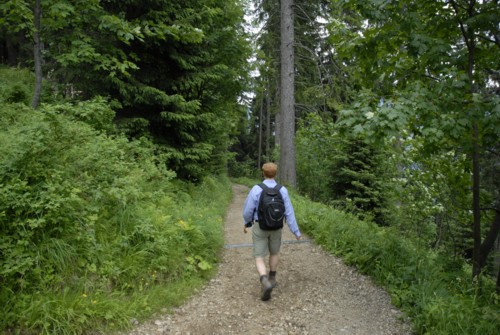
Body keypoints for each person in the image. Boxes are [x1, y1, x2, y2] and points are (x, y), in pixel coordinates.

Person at [242, 162, 301, 301]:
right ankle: (272, 278)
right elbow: (289, 212)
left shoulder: (256, 189)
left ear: (263, 173)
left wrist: (247, 222)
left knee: (259, 256)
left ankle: (264, 280)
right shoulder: (282, 190)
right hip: (276, 228)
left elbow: (248, 209)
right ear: (275, 173)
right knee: (274, 252)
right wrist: (296, 231)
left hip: (260, 227)